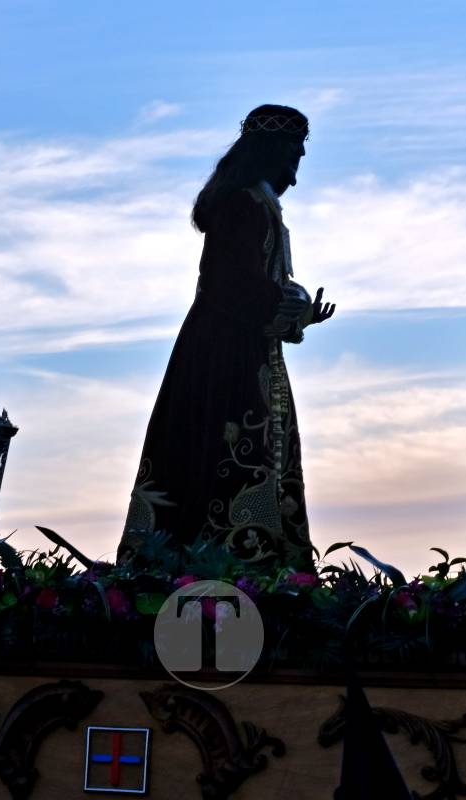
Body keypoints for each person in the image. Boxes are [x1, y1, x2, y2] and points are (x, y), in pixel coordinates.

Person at [119, 104, 335, 571]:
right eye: (293, 160)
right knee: (228, 453)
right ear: (273, 153)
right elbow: (233, 285)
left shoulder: (252, 202)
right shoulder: (244, 204)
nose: (294, 178)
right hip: (228, 357)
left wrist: (291, 309)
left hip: (238, 350)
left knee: (228, 450)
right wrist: (288, 305)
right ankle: (235, 568)